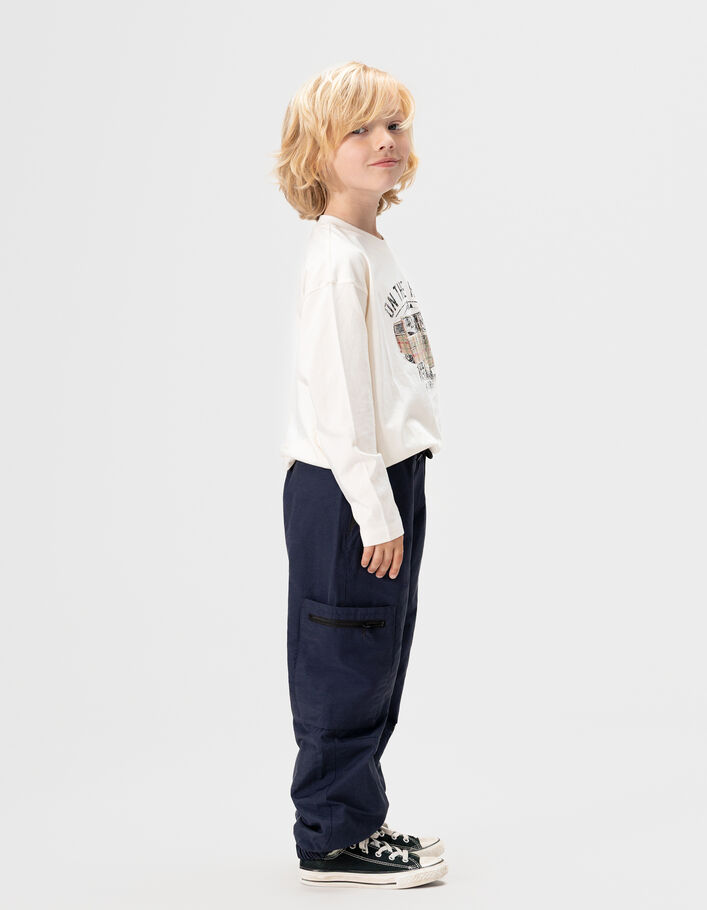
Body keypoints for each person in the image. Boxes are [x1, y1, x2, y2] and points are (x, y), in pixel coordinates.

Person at [271, 61, 447, 889]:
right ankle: (331, 836)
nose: (385, 140)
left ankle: (356, 818)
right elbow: (341, 400)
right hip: (348, 487)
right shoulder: (338, 260)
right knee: (342, 657)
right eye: (359, 129)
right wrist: (375, 510)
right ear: (316, 152)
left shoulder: (368, 247)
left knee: (375, 656)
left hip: (384, 476)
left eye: (393, 125)